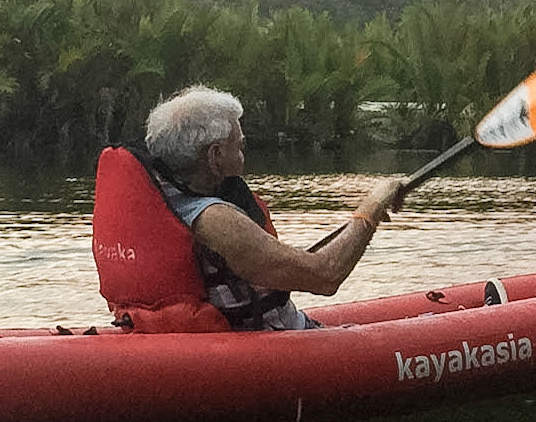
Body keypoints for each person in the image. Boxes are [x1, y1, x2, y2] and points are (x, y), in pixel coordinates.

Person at [91, 85, 405, 332]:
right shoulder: (214, 219)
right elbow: (326, 275)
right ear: (215, 157)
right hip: (272, 349)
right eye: (239, 147)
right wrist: (372, 209)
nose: (244, 156)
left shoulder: (165, 205)